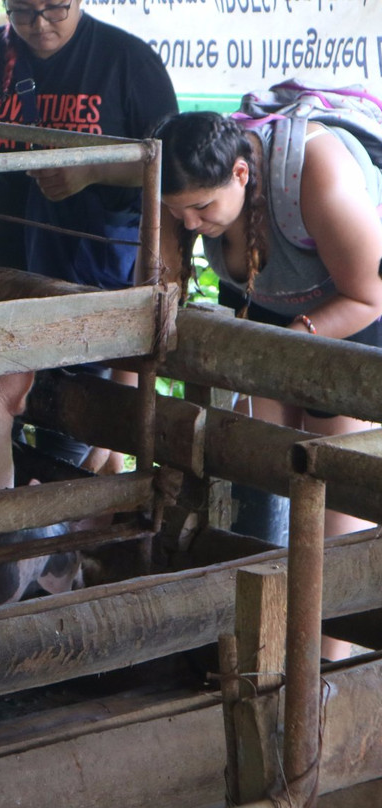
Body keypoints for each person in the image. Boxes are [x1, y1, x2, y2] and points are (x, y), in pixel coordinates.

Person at [157, 109, 382, 660]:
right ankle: (259, 652)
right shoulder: (179, 191)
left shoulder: (315, 173)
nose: (189, 224)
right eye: (177, 212)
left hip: (351, 315)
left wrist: (283, 350)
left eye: (202, 209)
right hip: (269, 311)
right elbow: (160, 288)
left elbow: (369, 295)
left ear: (241, 173)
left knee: (334, 487)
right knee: (262, 468)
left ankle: (328, 666)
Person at [0, 0, 178, 472]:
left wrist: (91, 170)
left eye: (53, 8)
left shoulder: (126, 60)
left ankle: (64, 493)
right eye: (22, 11)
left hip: (89, 268)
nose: (39, 23)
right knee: (1, 409)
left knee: (72, 414)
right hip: (2, 265)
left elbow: (169, 163)